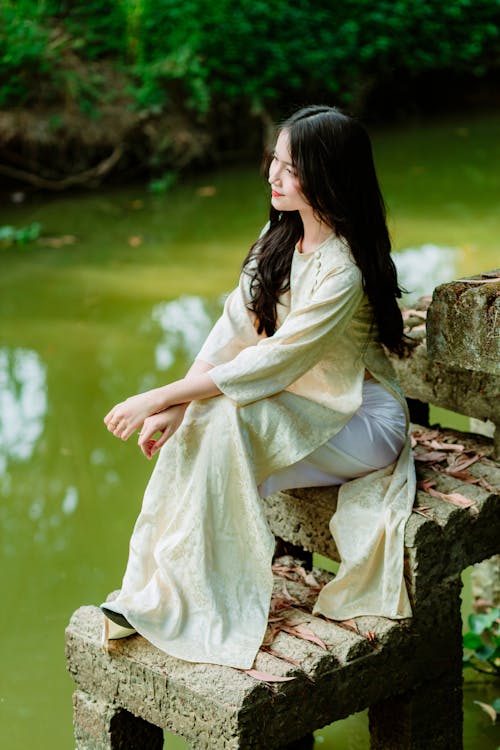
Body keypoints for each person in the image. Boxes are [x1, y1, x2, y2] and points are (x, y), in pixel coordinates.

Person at [100, 105, 416, 669]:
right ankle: (154, 591)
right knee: (204, 424)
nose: (273, 174)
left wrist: (161, 395)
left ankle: (199, 599)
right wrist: (178, 407)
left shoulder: (343, 269)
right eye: (275, 158)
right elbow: (234, 333)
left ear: (327, 174)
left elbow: (275, 361)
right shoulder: (278, 238)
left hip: (359, 417)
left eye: (289, 166)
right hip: (299, 399)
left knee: (225, 422)